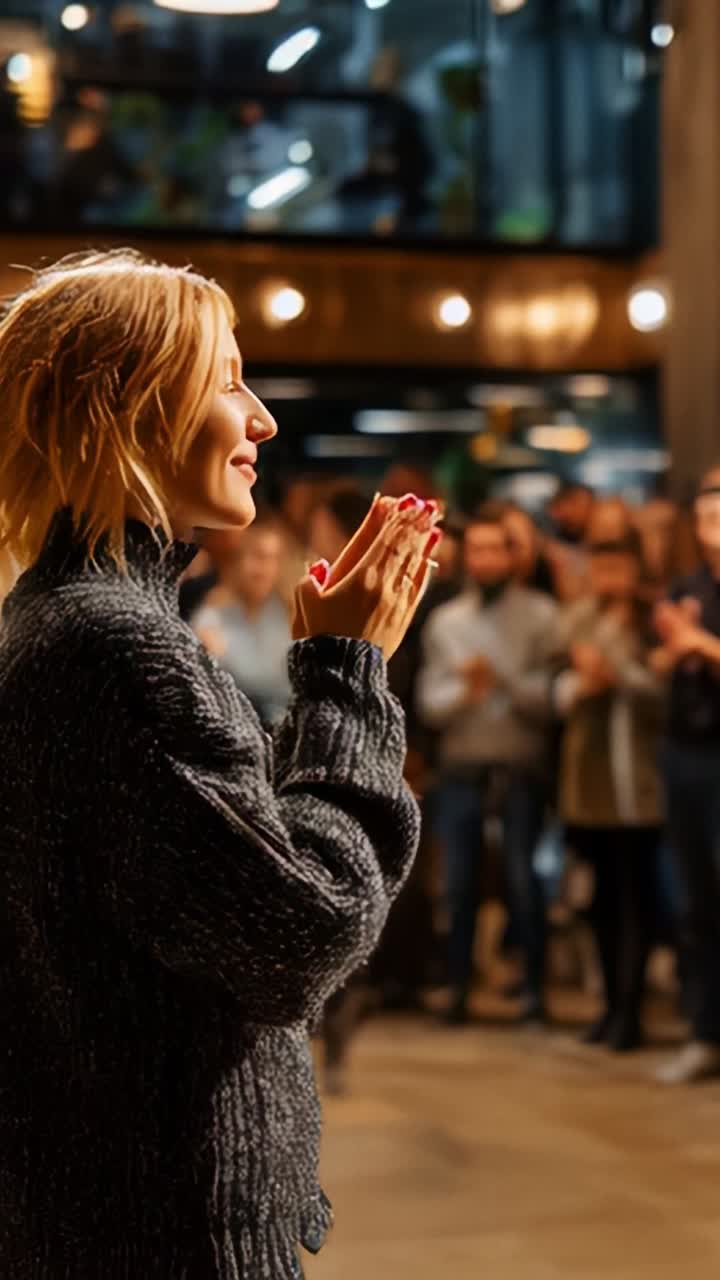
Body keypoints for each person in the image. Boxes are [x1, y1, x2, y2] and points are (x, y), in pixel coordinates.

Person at [0, 249, 439, 1278]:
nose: (263, 420)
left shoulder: (57, 622)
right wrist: (347, 672)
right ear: (130, 403)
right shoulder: (116, 645)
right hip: (162, 1226)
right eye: (229, 376)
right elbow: (305, 926)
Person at [416, 504, 558, 1025]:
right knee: (459, 884)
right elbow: (431, 702)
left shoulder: (542, 615)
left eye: (496, 548)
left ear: (512, 554)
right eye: (476, 549)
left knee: (525, 880)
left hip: (519, 767)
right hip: (463, 768)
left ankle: (534, 992)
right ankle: (457, 988)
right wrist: (466, 693)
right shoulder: (446, 621)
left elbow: (553, 698)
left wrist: (503, 682)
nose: (485, 558)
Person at [555, 535, 664, 1052]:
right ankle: (608, 1006)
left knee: (636, 897)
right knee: (597, 899)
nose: (609, 579)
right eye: (600, 568)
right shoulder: (577, 618)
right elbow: (555, 686)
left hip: (638, 782)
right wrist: (578, 685)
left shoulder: (653, 621)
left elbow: (668, 694)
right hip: (587, 780)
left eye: (618, 568)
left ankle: (631, 1008)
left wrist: (615, 675)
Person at [652, 467, 720, 1084]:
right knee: (695, 900)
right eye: (705, 517)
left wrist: (699, 644)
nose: (714, 529)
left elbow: (697, 647)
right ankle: (704, 1030)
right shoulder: (688, 586)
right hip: (687, 754)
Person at [192, 519, 292, 726]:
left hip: (285, 720)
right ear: (238, 561)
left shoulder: (288, 610)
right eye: (257, 557)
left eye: (273, 559)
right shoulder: (212, 615)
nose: (264, 569)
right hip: (239, 722)